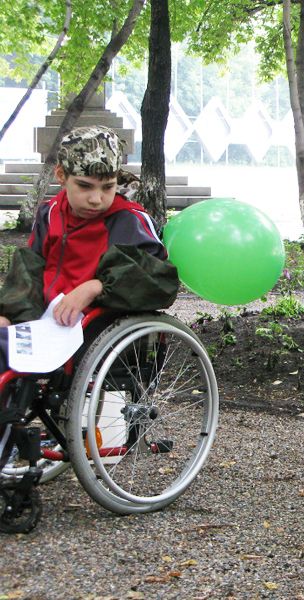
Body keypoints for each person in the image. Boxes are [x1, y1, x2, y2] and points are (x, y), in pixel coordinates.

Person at [0, 125, 179, 467]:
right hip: (43, 323)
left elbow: (157, 280)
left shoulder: (129, 220)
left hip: (95, 331)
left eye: (107, 188)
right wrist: (10, 313)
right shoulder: (50, 213)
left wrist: (96, 286)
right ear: (61, 176)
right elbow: (30, 272)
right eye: (84, 187)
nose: (97, 199)